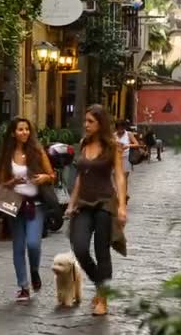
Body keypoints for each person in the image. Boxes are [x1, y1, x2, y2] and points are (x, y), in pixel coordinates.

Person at [66, 105, 128, 316]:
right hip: (84, 203)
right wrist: (71, 203)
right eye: (85, 121)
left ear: (100, 123)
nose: (86, 124)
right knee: (80, 247)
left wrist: (121, 206)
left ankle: (103, 298)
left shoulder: (113, 147)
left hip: (104, 203)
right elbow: (80, 177)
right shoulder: (84, 143)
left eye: (90, 121)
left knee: (102, 252)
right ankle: (101, 284)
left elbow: (119, 176)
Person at [0, 117, 56, 302]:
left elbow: (52, 175)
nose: (24, 132)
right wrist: (12, 182)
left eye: (27, 129)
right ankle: (23, 286)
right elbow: (1, 183)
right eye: (20, 129)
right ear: (13, 133)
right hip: (14, 205)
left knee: (33, 244)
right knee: (18, 246)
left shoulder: (37, 151)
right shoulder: (7, 154)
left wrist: (44, 178)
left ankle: (35, 271)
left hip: (35, 205)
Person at [114, 120, 140, 200]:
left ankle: (123, 195)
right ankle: (120, 194)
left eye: (122, 128)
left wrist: (128, 145)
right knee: (116, 178)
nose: (120, 130)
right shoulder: (113, 135)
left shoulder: (128, 134)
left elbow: (137, 144)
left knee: (124, 178)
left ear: (124, 127)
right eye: (118, 128)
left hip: (126, 157)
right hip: (116, 158)